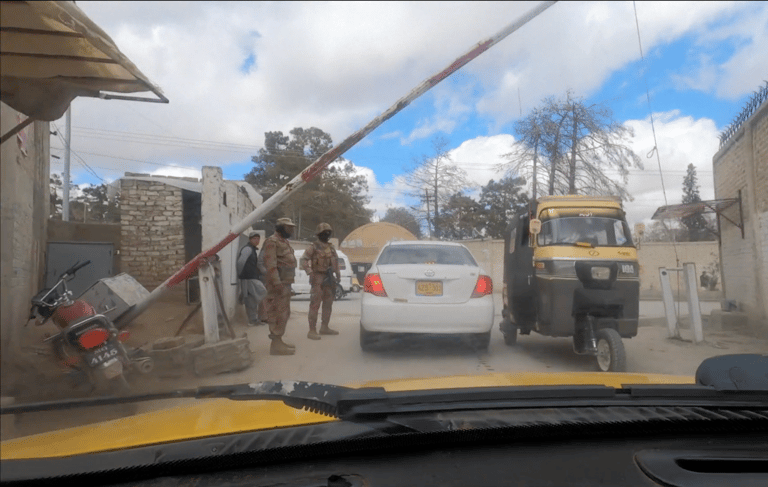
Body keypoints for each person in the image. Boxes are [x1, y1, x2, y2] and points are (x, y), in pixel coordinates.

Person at [260, 218, 298, 355]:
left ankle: (279, 340)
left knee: (284, 313)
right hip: (278, 285)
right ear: (280, 227)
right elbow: (271, 265)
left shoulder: (284, 242)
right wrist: (277, 283)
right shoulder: (272, 241)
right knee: (277, 312)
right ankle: (275, 344)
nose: (291, 230)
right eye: (288, 228)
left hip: (285, 283)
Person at [300, 223, 341, 340]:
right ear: (319, 234)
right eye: (324, 232)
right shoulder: (313, 247)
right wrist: (309, 271)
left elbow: (336, 262)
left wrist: (338, 275)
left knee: (328, 303)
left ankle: (324, 327)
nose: (326, 234)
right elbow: (303, 260)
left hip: (329, 278)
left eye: (328, 232)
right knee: (315, 304)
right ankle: (312, 330)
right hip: (317, 277)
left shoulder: (331, 248)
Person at [236, 229, 267, 326]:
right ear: (250, 239)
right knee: (252, 298)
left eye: (258, 238)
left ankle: (254, 319)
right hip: (247, 278)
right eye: (254, 238)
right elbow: (241, 262)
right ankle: (252, 320)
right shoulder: (247, 249)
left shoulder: (252, 249)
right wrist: (241, 274)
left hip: (251, 278)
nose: (257, 240)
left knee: (253, 298)